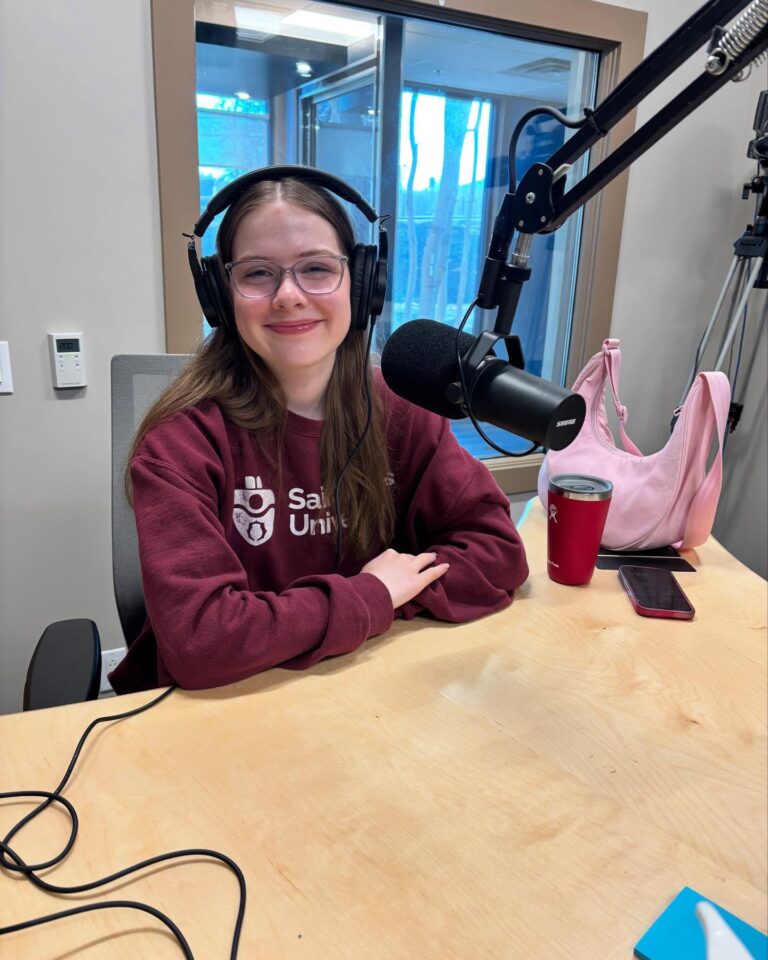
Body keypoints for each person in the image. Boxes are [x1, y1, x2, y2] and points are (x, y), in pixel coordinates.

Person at [109, 170, 528, 694]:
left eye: (316, 268)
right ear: (220, 294)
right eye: (257, 274)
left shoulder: (401, 412)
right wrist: (372, 595)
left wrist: (391, 596)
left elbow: (497, 552)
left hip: (366, 691)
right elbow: (203, 642)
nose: (288, 295)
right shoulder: (181, 443)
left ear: (363, 280)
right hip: (224, 710)